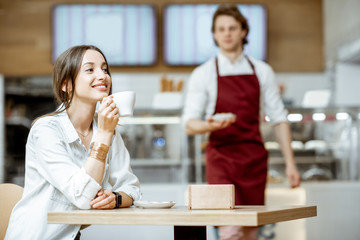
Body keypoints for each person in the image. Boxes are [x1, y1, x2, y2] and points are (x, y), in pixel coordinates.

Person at [182, 4, 300, 240]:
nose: (227, 33)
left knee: (249, 231)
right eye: (221, 29)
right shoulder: (203, 73)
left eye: (232, 28)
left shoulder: (262, 71)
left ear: (244, 32)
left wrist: (290, 164)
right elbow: (189, 123)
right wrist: (210, 126)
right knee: (230, 230)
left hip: (253, 161)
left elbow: (279, 119)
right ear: (214, 34)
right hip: (221, 161)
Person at [5, 45, 141, 240]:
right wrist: (103, 134)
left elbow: (132, 188)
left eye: (104, 69)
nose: (102, 75)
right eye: (90, 69)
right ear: (66, 85)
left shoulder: (108, 130)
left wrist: (116, 199)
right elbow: (82, 197)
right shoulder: (46, 130)